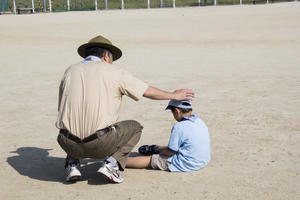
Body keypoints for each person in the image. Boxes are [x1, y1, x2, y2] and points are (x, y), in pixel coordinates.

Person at [56, 35, 195, 183]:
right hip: (98, 145)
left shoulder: (70, 71)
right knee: (135, 127)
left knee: (73, 118)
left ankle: (72, 164)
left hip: (66, 142)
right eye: (112, 59)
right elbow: (147, 91)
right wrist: (173, 95)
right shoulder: (115, 72)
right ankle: (111, 164)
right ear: (105, 56)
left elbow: (62, 107)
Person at [126, 99, 211, 172]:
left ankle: (119, 162)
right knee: (175, 146)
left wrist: (160, 153)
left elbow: (170, 151)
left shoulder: (179, 127)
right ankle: (154, 148)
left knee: (152, 159)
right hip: (202, 160)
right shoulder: (200, 121)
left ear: (177, 111)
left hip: (188, 164)